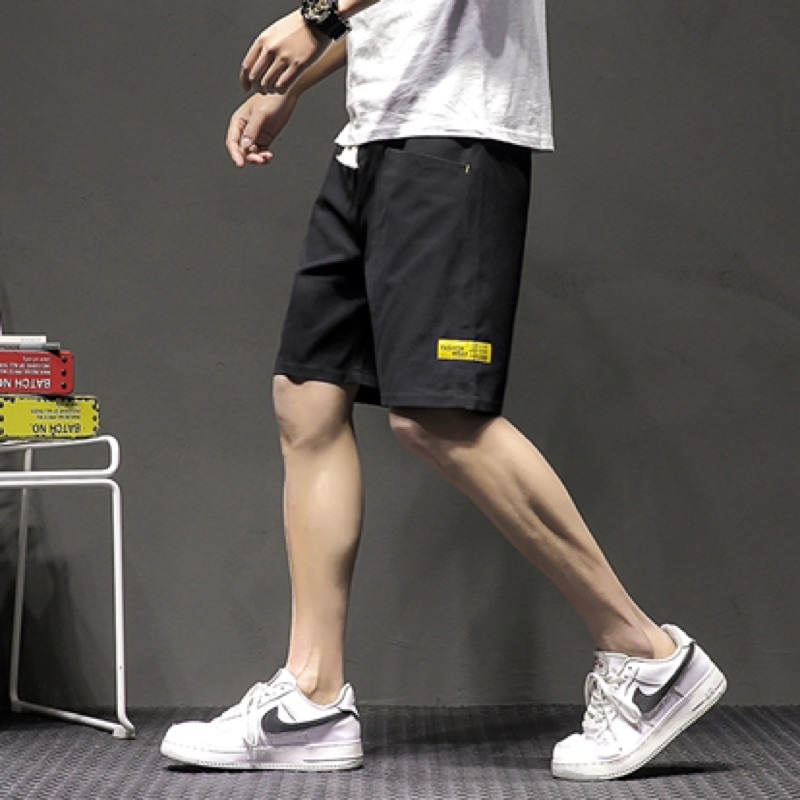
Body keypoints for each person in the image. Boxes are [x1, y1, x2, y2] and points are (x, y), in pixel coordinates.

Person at [160, 0, 726, 781]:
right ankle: (313, 697)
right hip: (373, 137)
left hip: (456, 135)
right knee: (307, 394)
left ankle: (648, 654)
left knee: (437, 416)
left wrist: (317, 16)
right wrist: (295, 81)